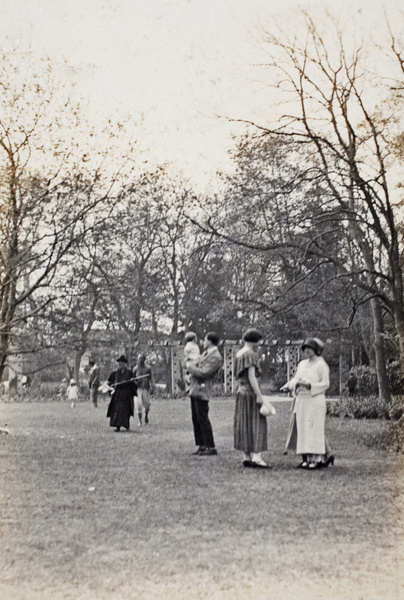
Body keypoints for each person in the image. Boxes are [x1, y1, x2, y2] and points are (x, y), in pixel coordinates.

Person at [280, 337, 332, 470]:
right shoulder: (302, 364)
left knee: (314, 428)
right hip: (302, 400)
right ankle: (306, 459)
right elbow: (296, 378)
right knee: (303, 429)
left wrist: (310, 385)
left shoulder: (321, 364)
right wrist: (289, 385)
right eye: (305, 348)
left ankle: (317, 459)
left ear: (316, 349)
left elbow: (326, 383)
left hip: (315, 399)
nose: (307, 351)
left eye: (310, 348)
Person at [234, 328, 270, 469]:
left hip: (241, 392)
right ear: (256, 340)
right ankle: (257, 457)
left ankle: (246, 456)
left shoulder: (239, 353)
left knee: (244, 423)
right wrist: (259, 395)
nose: (260, 343)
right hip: (250, 392)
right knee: (257, 423)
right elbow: (251, 376)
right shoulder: (251, 354)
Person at [186, 331, 223, 456]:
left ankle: (210, 446)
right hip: (195, 388)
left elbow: (204, 373)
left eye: (205, 340)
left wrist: (190, 367)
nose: (203, 342)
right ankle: (202, 445)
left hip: (203, 389)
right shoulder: (206, 354)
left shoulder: (216, 356)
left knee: (202, 417)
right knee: (196, 418)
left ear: (210, 341)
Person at [106, 355, 137, 432]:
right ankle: (118, 426)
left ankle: (126, 426)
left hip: (126, 394)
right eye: (119, 363)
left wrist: (133, 380)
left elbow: (136, 382)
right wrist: (108, 385)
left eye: (122, 363)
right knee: (117, 410)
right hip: (118, 394)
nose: (121, 364)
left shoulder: (130, 373)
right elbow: (109, 381)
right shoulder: (115, 373)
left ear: (125, 364)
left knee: (126, 410)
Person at [133, 353, 155, 426]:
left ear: (144, 359)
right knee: (138, 405)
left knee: (147, 405)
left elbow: (151, 379)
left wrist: (153, 387)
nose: (140, 360)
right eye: (139, 358)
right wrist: (135, 381)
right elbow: (132, 379)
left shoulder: (148, 368)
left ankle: (146, 415)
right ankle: (140, 421)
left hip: (145, 388)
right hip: (138, 389)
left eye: (141, 358)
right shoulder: (135, 368)